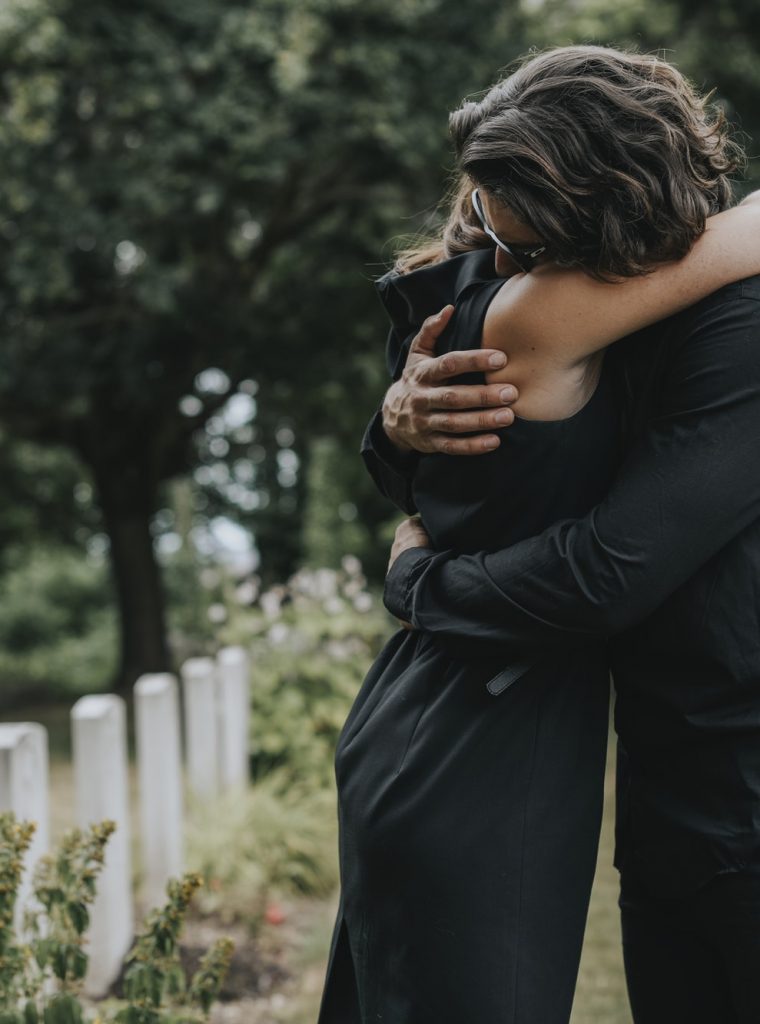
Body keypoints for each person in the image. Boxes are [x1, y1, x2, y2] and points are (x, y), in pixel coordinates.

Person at [319, 46, 760, 1024]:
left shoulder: (722, 319)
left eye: (524, 248)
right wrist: (394, 422)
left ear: (608, 218)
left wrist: (418, 581)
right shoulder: (560, 299)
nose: (500, 270)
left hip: (715, 783)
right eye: (489, 230)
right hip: (634, 786)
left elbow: (602, 571)